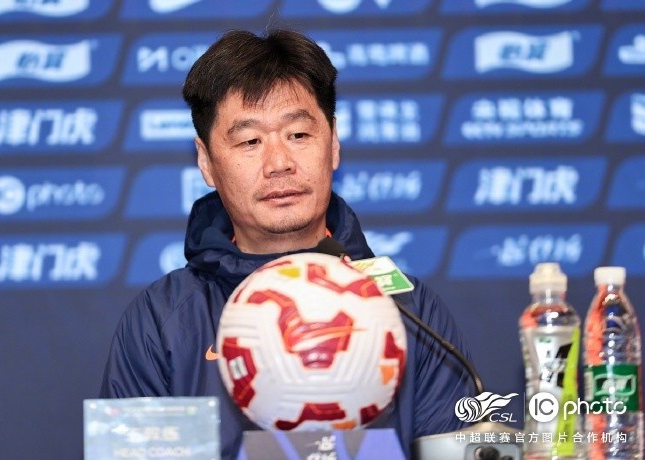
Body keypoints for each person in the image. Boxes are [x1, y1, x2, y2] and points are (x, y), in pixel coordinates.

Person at [100, 28, 478, 459]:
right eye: (250, 141)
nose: (279, 163)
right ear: (206, 161)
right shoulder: (162, 320)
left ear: (333, 143)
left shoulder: (410, 310)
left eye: (298, 135)